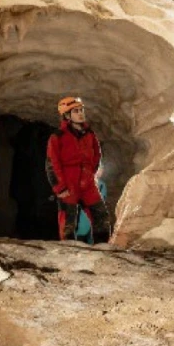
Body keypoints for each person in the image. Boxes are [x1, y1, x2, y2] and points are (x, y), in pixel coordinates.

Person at [46, 97, 114, 243]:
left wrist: (90, 173)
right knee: (68, 222)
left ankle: (102, 248)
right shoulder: (57, 137)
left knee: (101, 216)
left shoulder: (89, 134)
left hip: (87, 183)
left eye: (81, 110)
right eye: (76, 111)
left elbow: (96, 155)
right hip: (68, 183)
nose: (81, 113)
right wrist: (60, 187)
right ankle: (68, 251)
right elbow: (52, 164)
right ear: (67, 115)